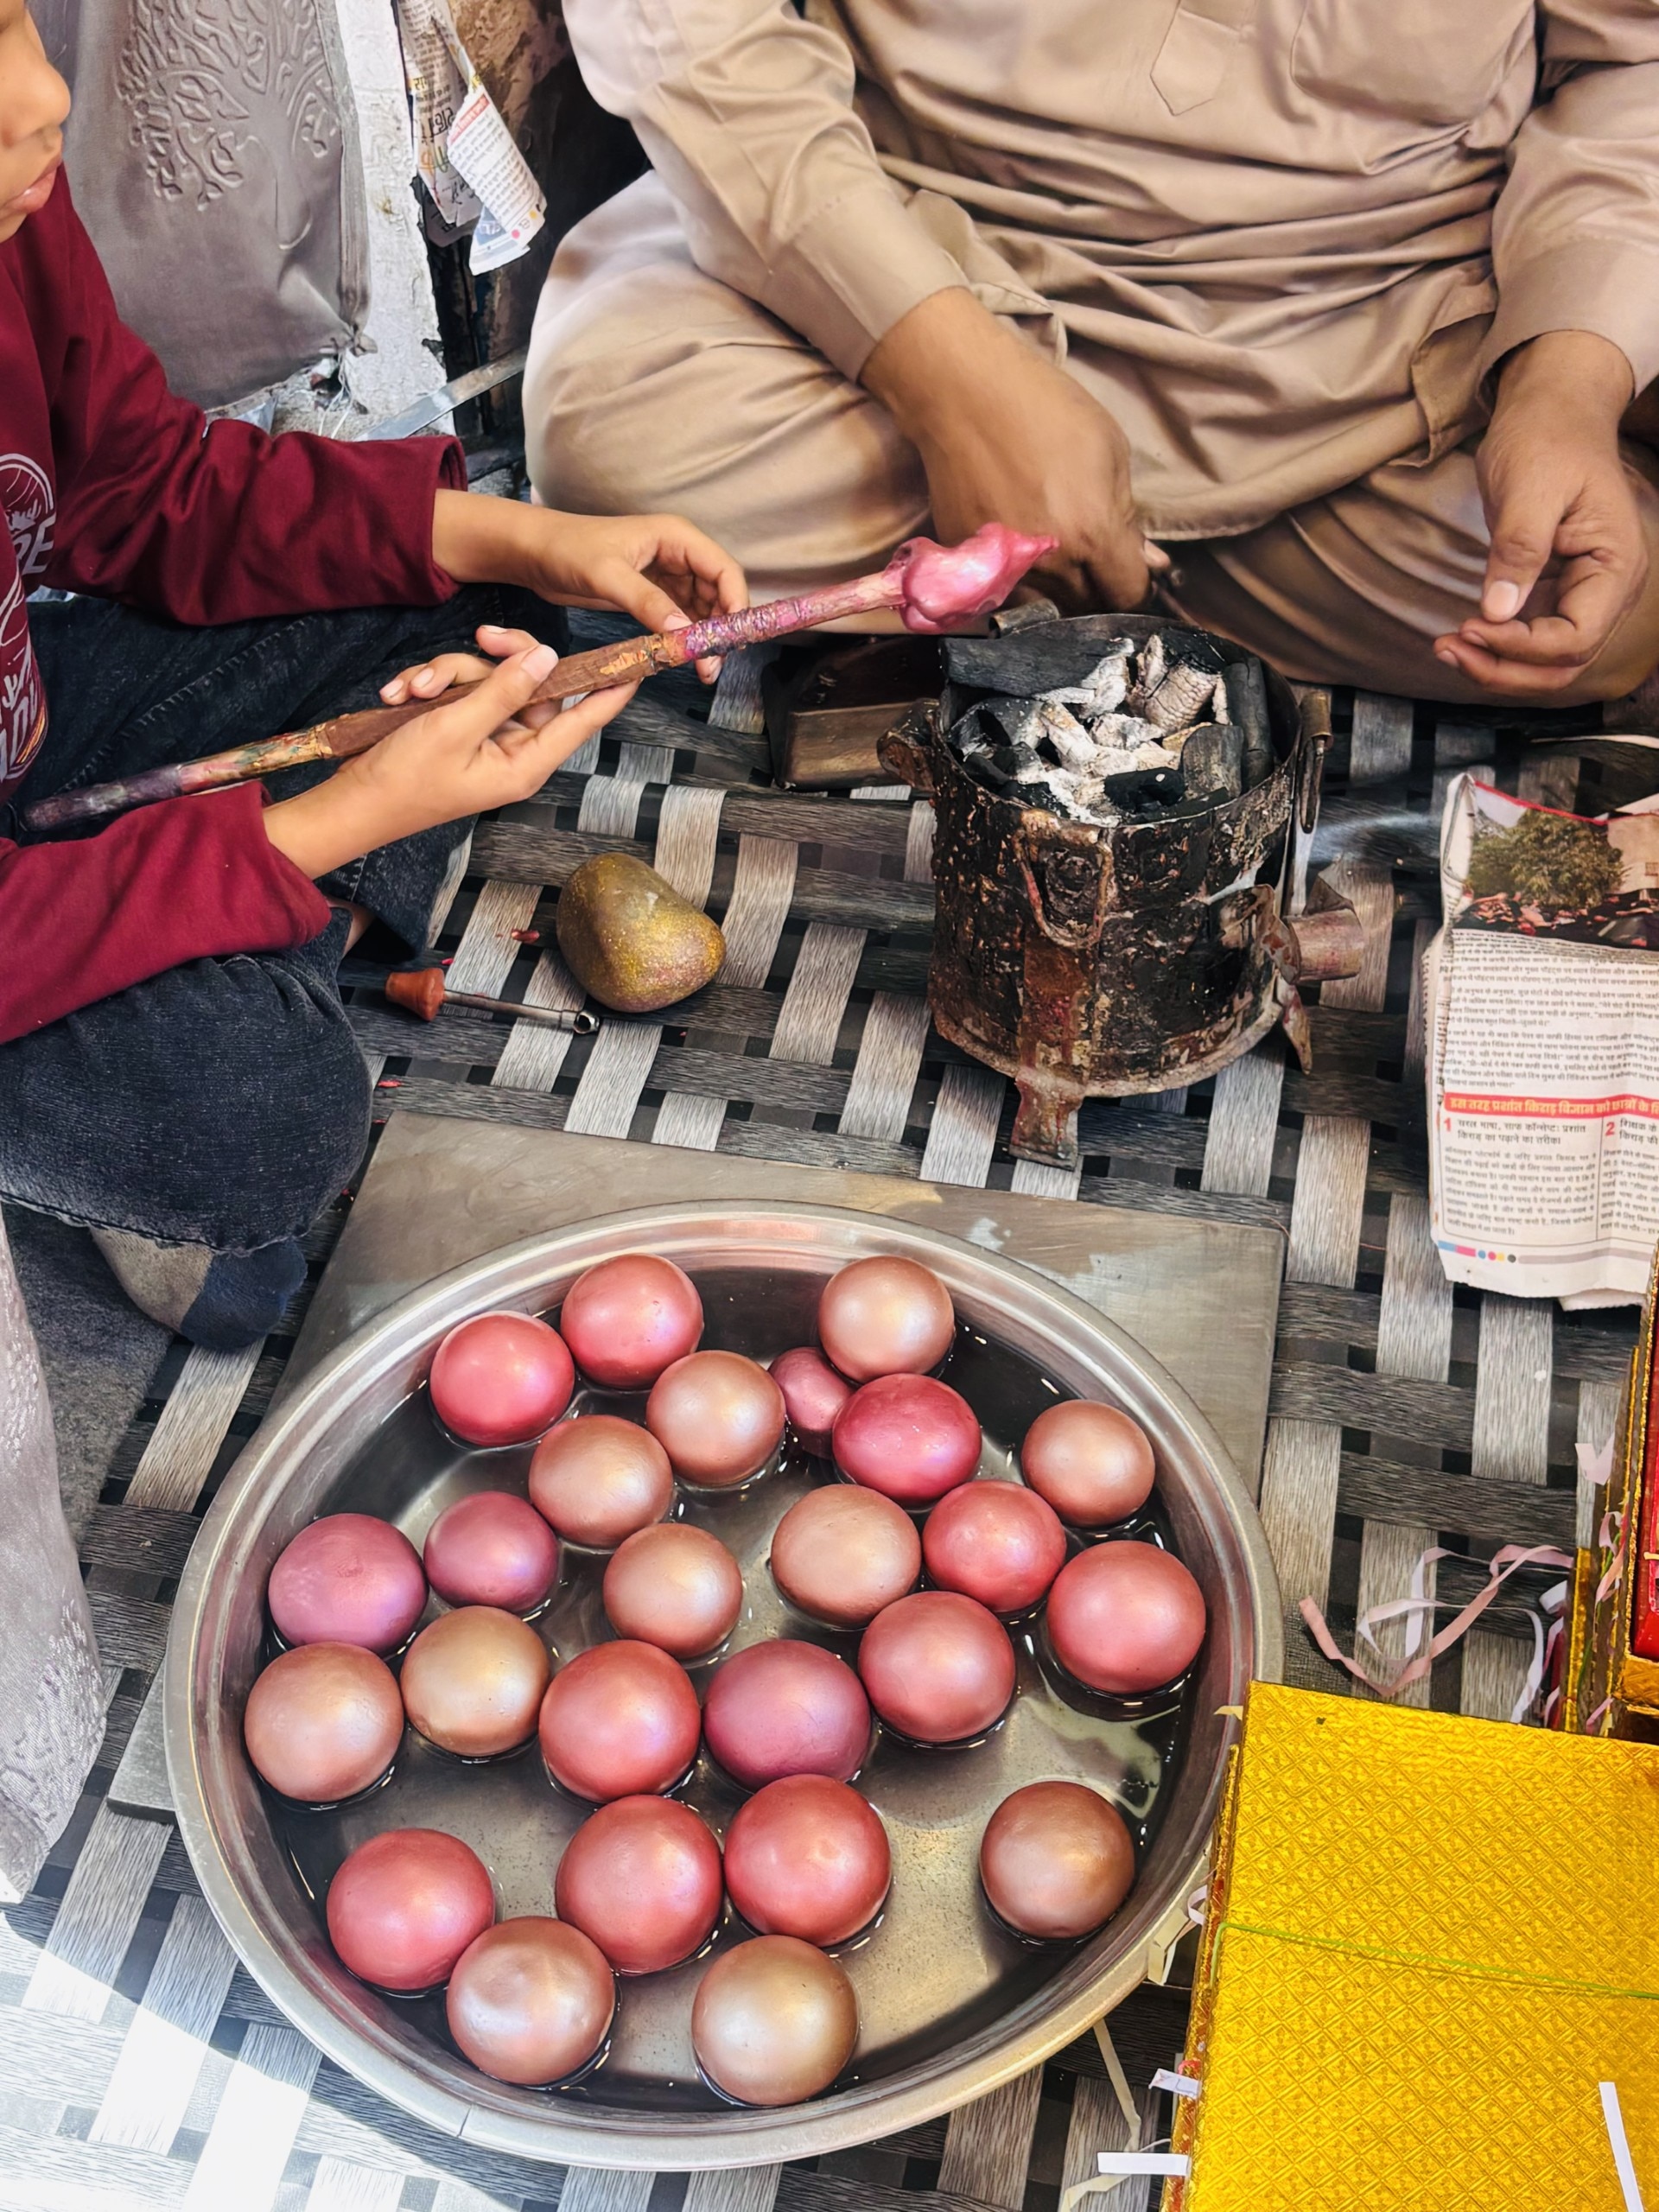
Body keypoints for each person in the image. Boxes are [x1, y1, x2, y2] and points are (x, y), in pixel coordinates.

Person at [0, 0, 747, 1349]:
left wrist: (537, 539)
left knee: (469, 578)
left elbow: (135, 491)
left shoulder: (12, 210)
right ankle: (266, 947)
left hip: (28, 730)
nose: (39, 98)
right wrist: (344, 817)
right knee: (263, 1118)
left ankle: (250, 924)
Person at [524, 0, 1659, 708]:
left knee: (1584, 593)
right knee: (609, 432)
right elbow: (685, 26)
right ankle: (1103, 564)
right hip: (915, 244)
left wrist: (1562, 390)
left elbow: (1630, 71)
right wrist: (949, 383)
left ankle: (1027, 571)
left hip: (1363, 334)